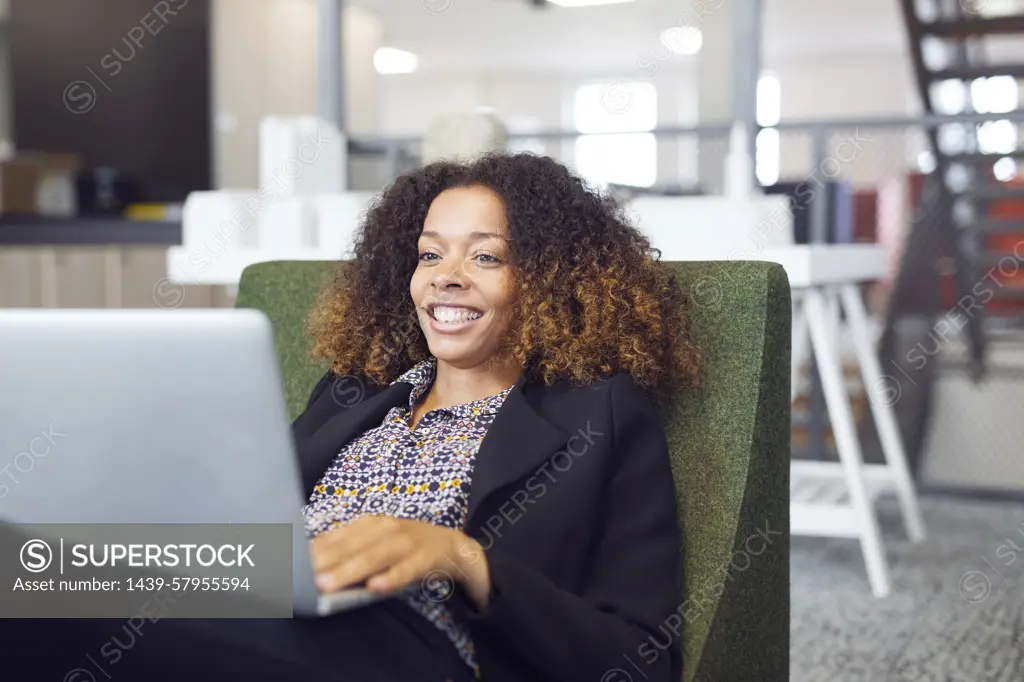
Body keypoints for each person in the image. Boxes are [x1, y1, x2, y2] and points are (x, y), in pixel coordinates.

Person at [10, 152, 699, 682]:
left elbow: (640, 655)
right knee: (26, 571)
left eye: (486, 256)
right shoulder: (358, 391)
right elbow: (258, 507)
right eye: (430, 253)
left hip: (412, 646)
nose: (445, 275)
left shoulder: (599, 415)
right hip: (266, 603)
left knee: (59, 619)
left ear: (550, 281)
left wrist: (458, 557)